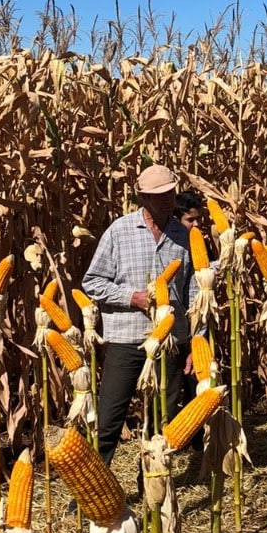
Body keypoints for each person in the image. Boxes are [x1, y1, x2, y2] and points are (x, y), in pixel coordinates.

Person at [81, 163, 196, 464]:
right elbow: (92, 282)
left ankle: (153, 487)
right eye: (159, 195)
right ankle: (92, 490)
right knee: (108, 420)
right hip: (127, 339)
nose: (167, 200)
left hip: (170, 340)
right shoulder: (119, 232)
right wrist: (133, 297)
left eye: (170, 193)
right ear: (143, 197)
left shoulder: (183, 237)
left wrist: (196, 342)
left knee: (163, 421)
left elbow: (193, 292)